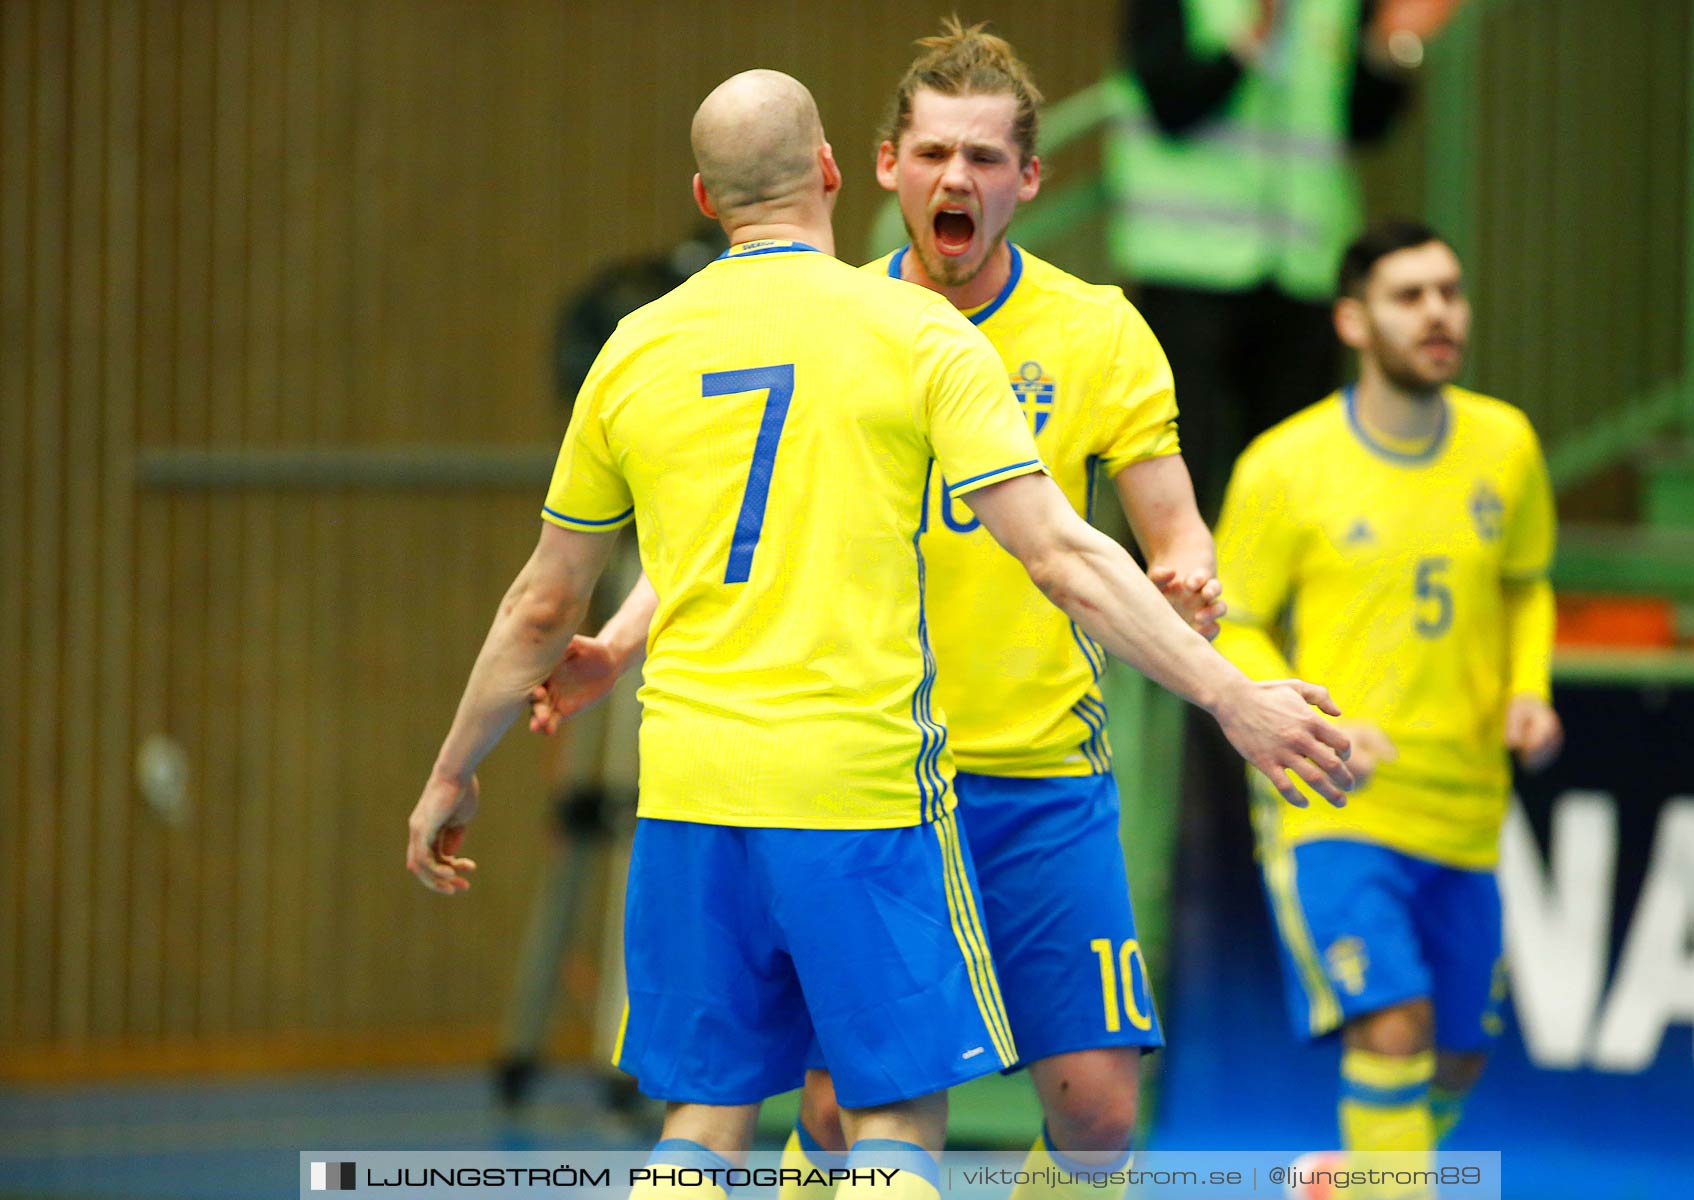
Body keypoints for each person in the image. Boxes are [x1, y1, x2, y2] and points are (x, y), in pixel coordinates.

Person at [411, 69, 1353, 1200]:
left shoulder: (650, 345)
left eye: (987, 157)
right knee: (878, 1116)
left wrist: (454, 768)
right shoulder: (896, 328)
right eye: (936, 153)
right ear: (855, 168)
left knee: (752, 1118)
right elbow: (1041, 549)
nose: (958, 178)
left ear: (706, 199)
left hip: (932, 770)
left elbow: (545, 598)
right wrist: (1232, 695)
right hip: (873, 776)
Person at [1211, 220, 1561, 1192]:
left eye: (1450, 291)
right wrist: (1309, 718)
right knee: (1390, 1022)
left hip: (1466, 809)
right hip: (1338, 806)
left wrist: (1528, 690)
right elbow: (1230, 626)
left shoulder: (1508, 445)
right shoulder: (1284, 467)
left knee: (1457, 1056)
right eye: (1411, 296)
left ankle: (1359, 1176)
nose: (1440, 313)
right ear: (1354, 321)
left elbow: (1527, 582)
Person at [1107, 0, 1459, 516]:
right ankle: (1159, 600)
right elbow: (1170, 104)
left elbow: (1366, 124)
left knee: (1294, 480)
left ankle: (1275, 600)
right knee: (1173, 480)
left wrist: (1391, 44)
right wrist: (1255, 34)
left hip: (1304, 267)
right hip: (1186, 260)